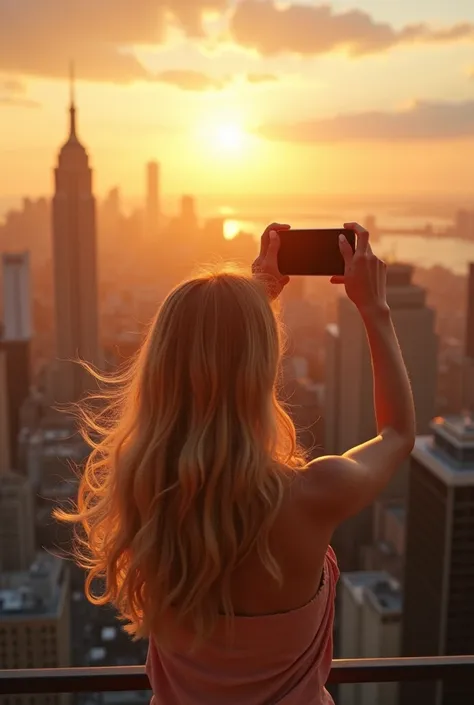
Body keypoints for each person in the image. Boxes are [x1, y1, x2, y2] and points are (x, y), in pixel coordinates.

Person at [55, 221, 415, 704]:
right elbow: (397, 435)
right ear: (263, 368)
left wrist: (252, 302)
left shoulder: (144, 492)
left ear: (158, 369)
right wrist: (375, 308)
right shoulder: (314, 494)